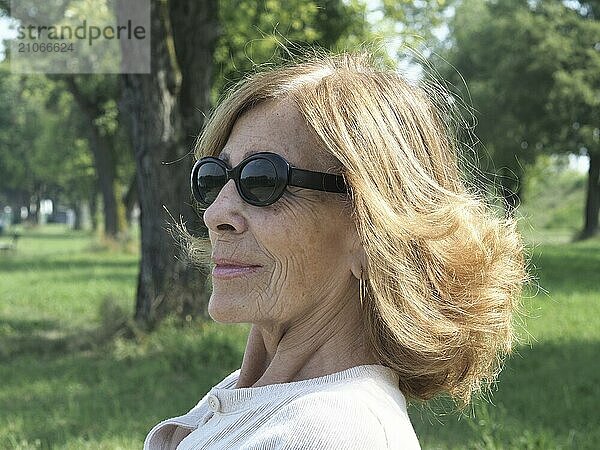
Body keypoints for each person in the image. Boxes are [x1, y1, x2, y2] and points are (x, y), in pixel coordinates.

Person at [144, 49, 528, 449]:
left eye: (262, 179)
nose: (216, 213)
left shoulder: (330, 432)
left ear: (372, 230)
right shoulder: (264, 394)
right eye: (214, 177)